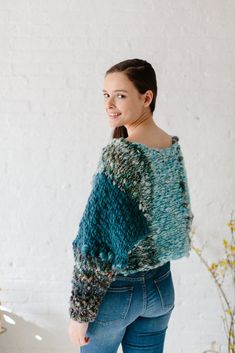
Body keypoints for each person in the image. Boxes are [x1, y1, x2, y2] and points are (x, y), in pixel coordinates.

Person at [68, 58, 194, 353]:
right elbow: (177, 223)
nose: (109, 104)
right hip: (161, 287)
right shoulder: (170, 147)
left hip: (118, 293)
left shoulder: (121, 154)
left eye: (120, 95)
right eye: (105, 95)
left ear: (146, 97)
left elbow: (96, 239)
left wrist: (80, 313)